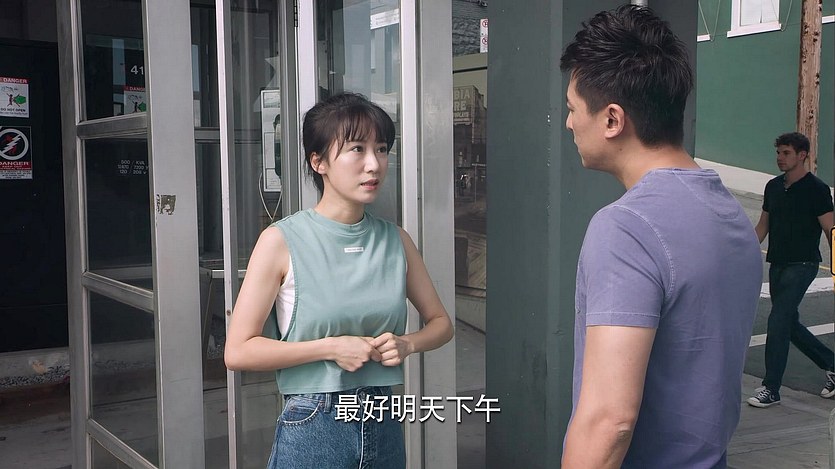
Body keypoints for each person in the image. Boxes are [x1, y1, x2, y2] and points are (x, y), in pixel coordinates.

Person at [559, 6, 762, 468]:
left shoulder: (625, 227)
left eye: (572, 109)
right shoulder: (729, 214)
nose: (569, 123)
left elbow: (609, 420)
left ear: (612, 120)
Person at [224, 92, 454, 469]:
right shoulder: (281, 241)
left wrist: (408, 344)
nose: (374, 164)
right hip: (314, 421)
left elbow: (442, 324)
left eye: (382, 149)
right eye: (357, 149)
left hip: (383, 417)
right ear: (318, 162)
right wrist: (331, 348)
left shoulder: (396, 240)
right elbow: (238, 352)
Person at [747, 132, 835, 408]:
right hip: (778, 264)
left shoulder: (817, 190)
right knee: (787, 323)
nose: (780, 158)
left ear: (802, 155)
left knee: (777, 320)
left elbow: (830, 229)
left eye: (786, 153)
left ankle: (771, 388)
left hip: (803, 265)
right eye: (778, 153)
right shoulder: (773, 187)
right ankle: (832, 364)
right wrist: (740, 254)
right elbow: (762, 226)